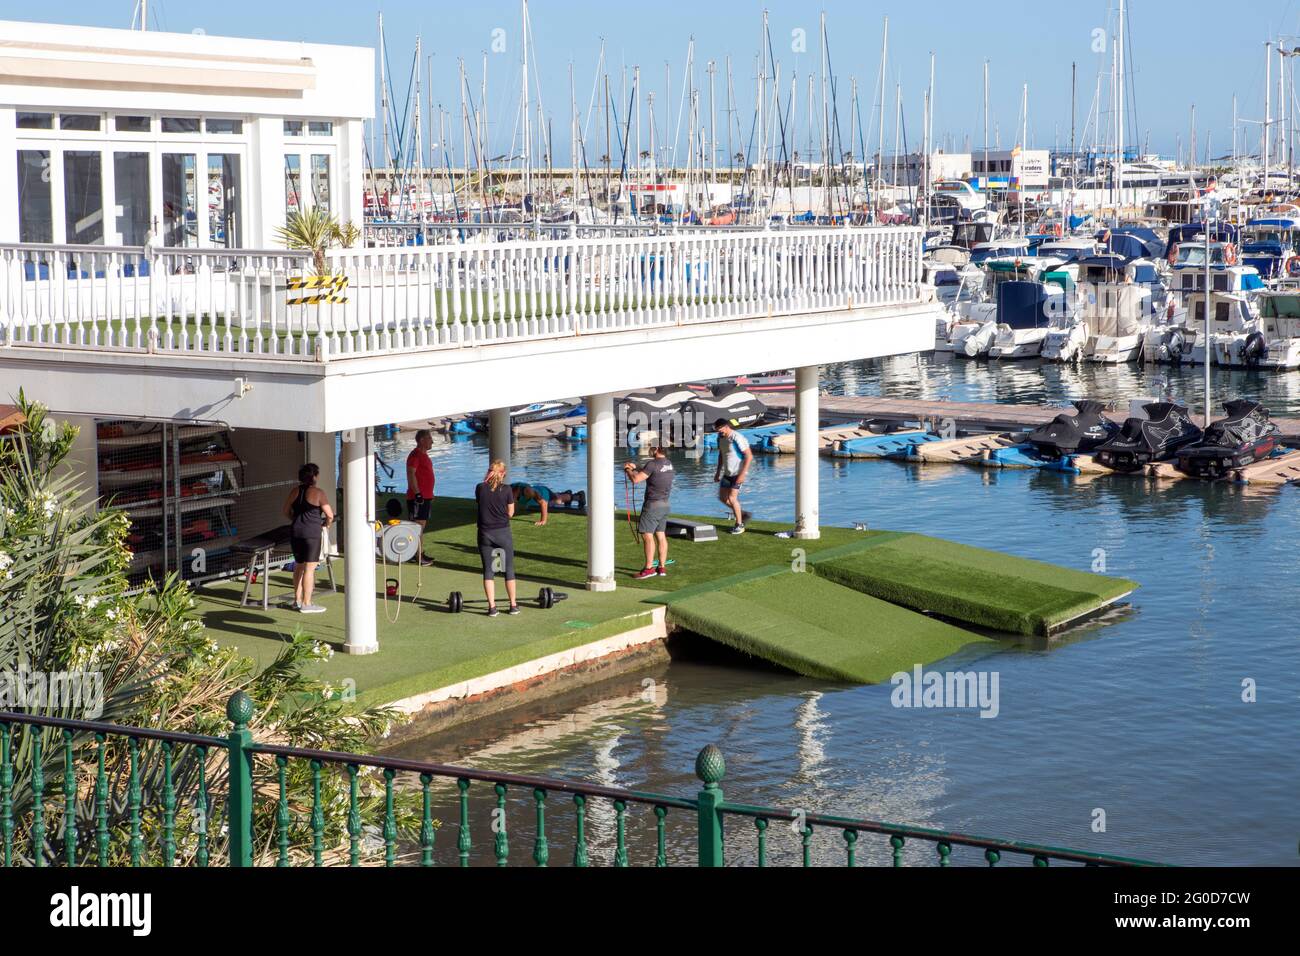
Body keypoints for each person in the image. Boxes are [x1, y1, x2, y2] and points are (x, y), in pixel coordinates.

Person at [282, 462, 334, 614]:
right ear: (314, 477)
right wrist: (327, 524)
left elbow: (285, 511)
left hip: (296, 532)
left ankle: (297, 601)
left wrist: (295, 519)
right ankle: (306, 603)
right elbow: (330, 515)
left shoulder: (295, 491)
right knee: (309, 569)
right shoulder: (319, 493)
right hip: (311, 534)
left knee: (298, 566)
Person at [476, 460, 518, 617]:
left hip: (485, 534)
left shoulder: (480, 488)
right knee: (509, 569)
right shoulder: (507, 489)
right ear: (503, 474)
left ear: (489, 472)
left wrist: (487, 479)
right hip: (503, 533)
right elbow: (511, 513)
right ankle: (513, 605)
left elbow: (480, 500)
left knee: (488, 570)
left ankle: (492, 608)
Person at [624, 446, 674, 579]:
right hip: (665, 505)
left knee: (647, 536)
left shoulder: (652, 464)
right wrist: (636, 467)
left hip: (652, 506)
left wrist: (628, 470)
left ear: (657, 449)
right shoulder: (669, 464)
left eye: (651, 447)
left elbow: (635, 479)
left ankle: (648, 569)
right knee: (661, 535)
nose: (649, 449)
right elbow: (652, 470)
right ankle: (661, 567)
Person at [713, 419, 753, 535]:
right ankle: (742, 514)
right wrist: (718, 472)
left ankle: (739, 525)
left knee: (732, 498)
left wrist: (742, 474)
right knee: (722, 498)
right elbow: (721, 455)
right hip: (727, 474)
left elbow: (749, 456)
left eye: (719, 429)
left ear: (726, 426)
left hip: (738, 473)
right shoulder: (720, 438)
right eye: (716, 429)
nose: (718, 431)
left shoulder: (737, 437)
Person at [405, 430, 436, 565]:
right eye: (429, 438)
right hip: (418, 497)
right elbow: (411, 474)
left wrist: (430, 494)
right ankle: (417, 555)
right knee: (417, 526)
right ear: (422, 440)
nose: (432, 441)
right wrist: (417, 493)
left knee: (420, 526)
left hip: (425, 496)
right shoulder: (415, 455)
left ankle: (417, 553)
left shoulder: (424, 456)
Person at [510, 481, 586, 526]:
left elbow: (543, 503)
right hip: (537, 490)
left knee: (557, 501)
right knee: (556, 496)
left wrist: (543, 520)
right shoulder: (508, 490)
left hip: (543, 493)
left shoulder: (527, 491)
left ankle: (578, 496)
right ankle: (565, 493)